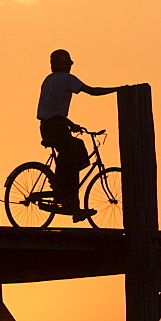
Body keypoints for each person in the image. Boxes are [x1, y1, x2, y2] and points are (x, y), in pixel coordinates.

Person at [37, 49, 120, 222]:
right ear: (67, 65)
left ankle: (62, 183)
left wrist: (70, 124)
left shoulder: (48, 80)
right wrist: (117, 90)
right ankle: (72, 203)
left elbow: (50, 111)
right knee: (72, 158)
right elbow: (92, 91)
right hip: (57, 126)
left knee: (77, 147)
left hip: (48, 126)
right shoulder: (67, 79)